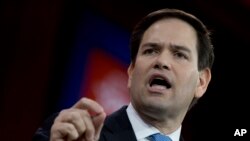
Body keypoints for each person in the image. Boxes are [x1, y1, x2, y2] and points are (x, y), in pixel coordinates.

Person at [33, 8, 214, 141]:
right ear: (132, 71)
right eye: (151, 50)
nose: (162, 61)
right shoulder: (71, 134)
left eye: (179, 54)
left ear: (201, 82)